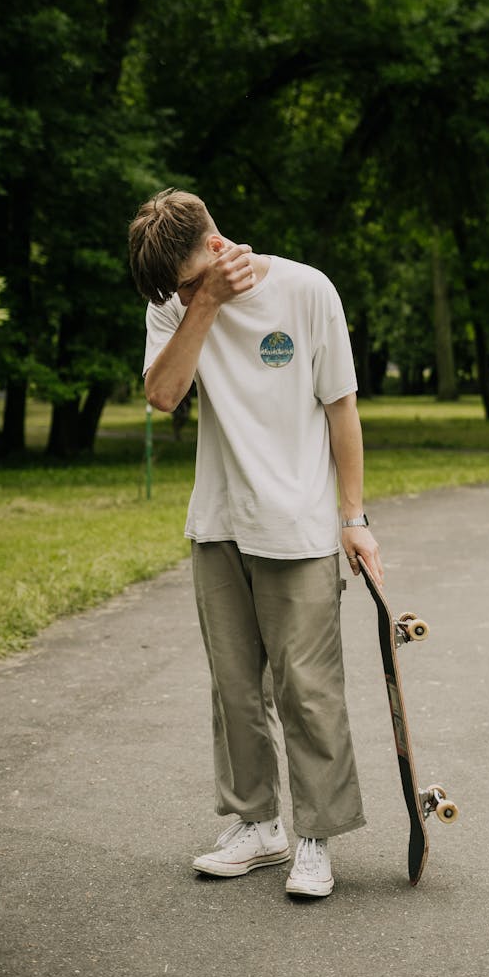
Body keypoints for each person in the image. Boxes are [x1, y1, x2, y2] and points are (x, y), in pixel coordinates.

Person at [128, 188, 383, 899]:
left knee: (307, 688)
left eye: (184, 280)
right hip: (217, 522)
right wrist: (201, 305)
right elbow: (163, 395)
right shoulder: (177, 304)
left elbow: (342, 407)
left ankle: (314, 836)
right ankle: (258, 823)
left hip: (297, 526)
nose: (176, 295)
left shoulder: (306, 290)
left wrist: (354, 516)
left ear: (214, 249)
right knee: (235, 687)